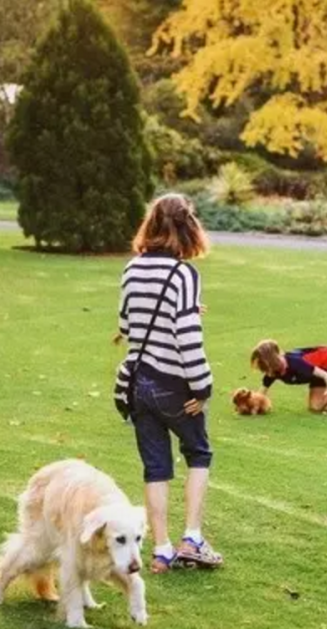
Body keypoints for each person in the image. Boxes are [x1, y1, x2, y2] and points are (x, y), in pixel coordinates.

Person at [115, 193, 223, 574]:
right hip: (175, 384)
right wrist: (202, 388)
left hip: (139, 382)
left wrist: (185, 313)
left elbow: (128, 327)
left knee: (155, 466)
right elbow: (187, 339)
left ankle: (160, 550)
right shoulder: (184, 275)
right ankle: (191, 537)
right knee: (199, 453)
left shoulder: (131, 269)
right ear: (187, 226)